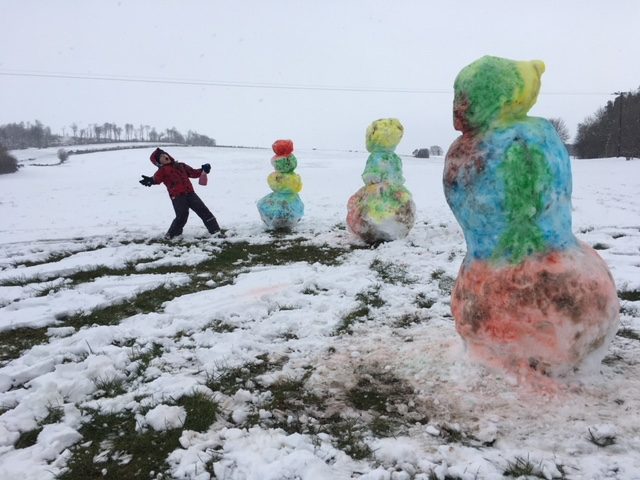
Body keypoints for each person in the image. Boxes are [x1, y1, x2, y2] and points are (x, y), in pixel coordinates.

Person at [140, 148, 221, 238]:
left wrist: (203, 170)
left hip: (190, 194)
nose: (165, 156)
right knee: (182, 216)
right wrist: (150, 180)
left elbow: (193, 173)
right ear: (159, 162)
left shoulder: (181, 165)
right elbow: (156, 179)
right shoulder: (162, 170)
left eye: (165, 154)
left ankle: (215, 230)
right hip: (177, 197)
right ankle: (172, 234)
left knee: (203, 210)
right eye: (161, 157)